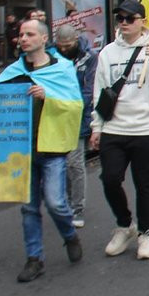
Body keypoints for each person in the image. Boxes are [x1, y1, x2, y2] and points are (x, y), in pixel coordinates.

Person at [0, 19, 83, 282]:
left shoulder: (62, 69)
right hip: (22, 150)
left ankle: (69, 235)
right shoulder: (13, 70)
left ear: (44, 39)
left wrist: (48, 97)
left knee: (56, 202)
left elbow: (76, 106)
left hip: (52, 148)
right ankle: (35, 259)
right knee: (29, 208)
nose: (23, 38)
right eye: (21, 34)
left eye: (29, 34)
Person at [90, 1, 149, 260]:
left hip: (146, 128)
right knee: (110, 178)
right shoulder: (107, 52)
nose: (124, 23)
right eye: (120, 18)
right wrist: (97, 127)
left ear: (142, 21)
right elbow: (99, 92)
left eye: (130, 18)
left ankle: (146, 233)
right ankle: (125, 224)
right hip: (115, 127)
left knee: (144, 183)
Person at [55, 24, 97, 228]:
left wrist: (72, 106)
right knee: (61, 164)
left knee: (74, 162)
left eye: (68, 45)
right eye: (60, 46)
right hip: (55, 118)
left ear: (76, 40)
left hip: (77, 117)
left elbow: (89, 90)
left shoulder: (89, 58)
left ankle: (77, 206)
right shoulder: (53, 57)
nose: (64, 49)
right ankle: (67, 201)